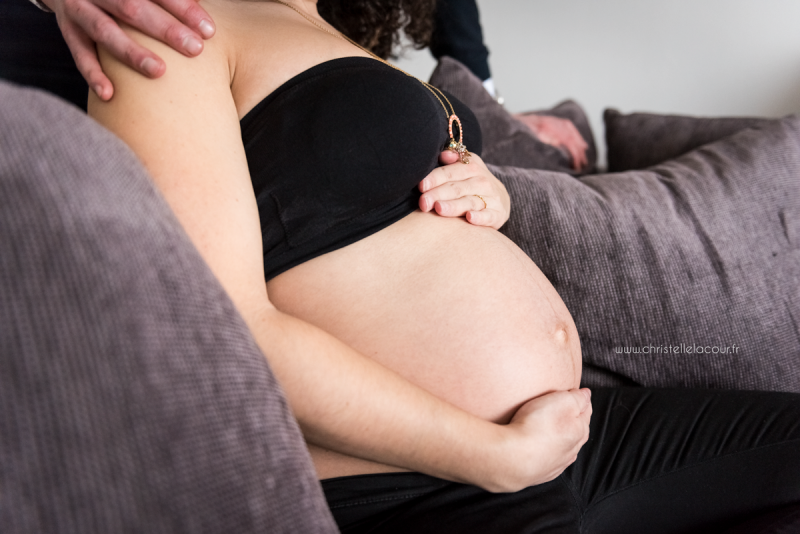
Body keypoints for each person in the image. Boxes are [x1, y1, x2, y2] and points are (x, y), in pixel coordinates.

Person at [80, 0, 800, 531]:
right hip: (421, 483)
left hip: (570, 437)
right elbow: (220, 331)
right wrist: (491, 454)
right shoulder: (166, 29)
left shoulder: (334, 31)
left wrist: (484, 188)